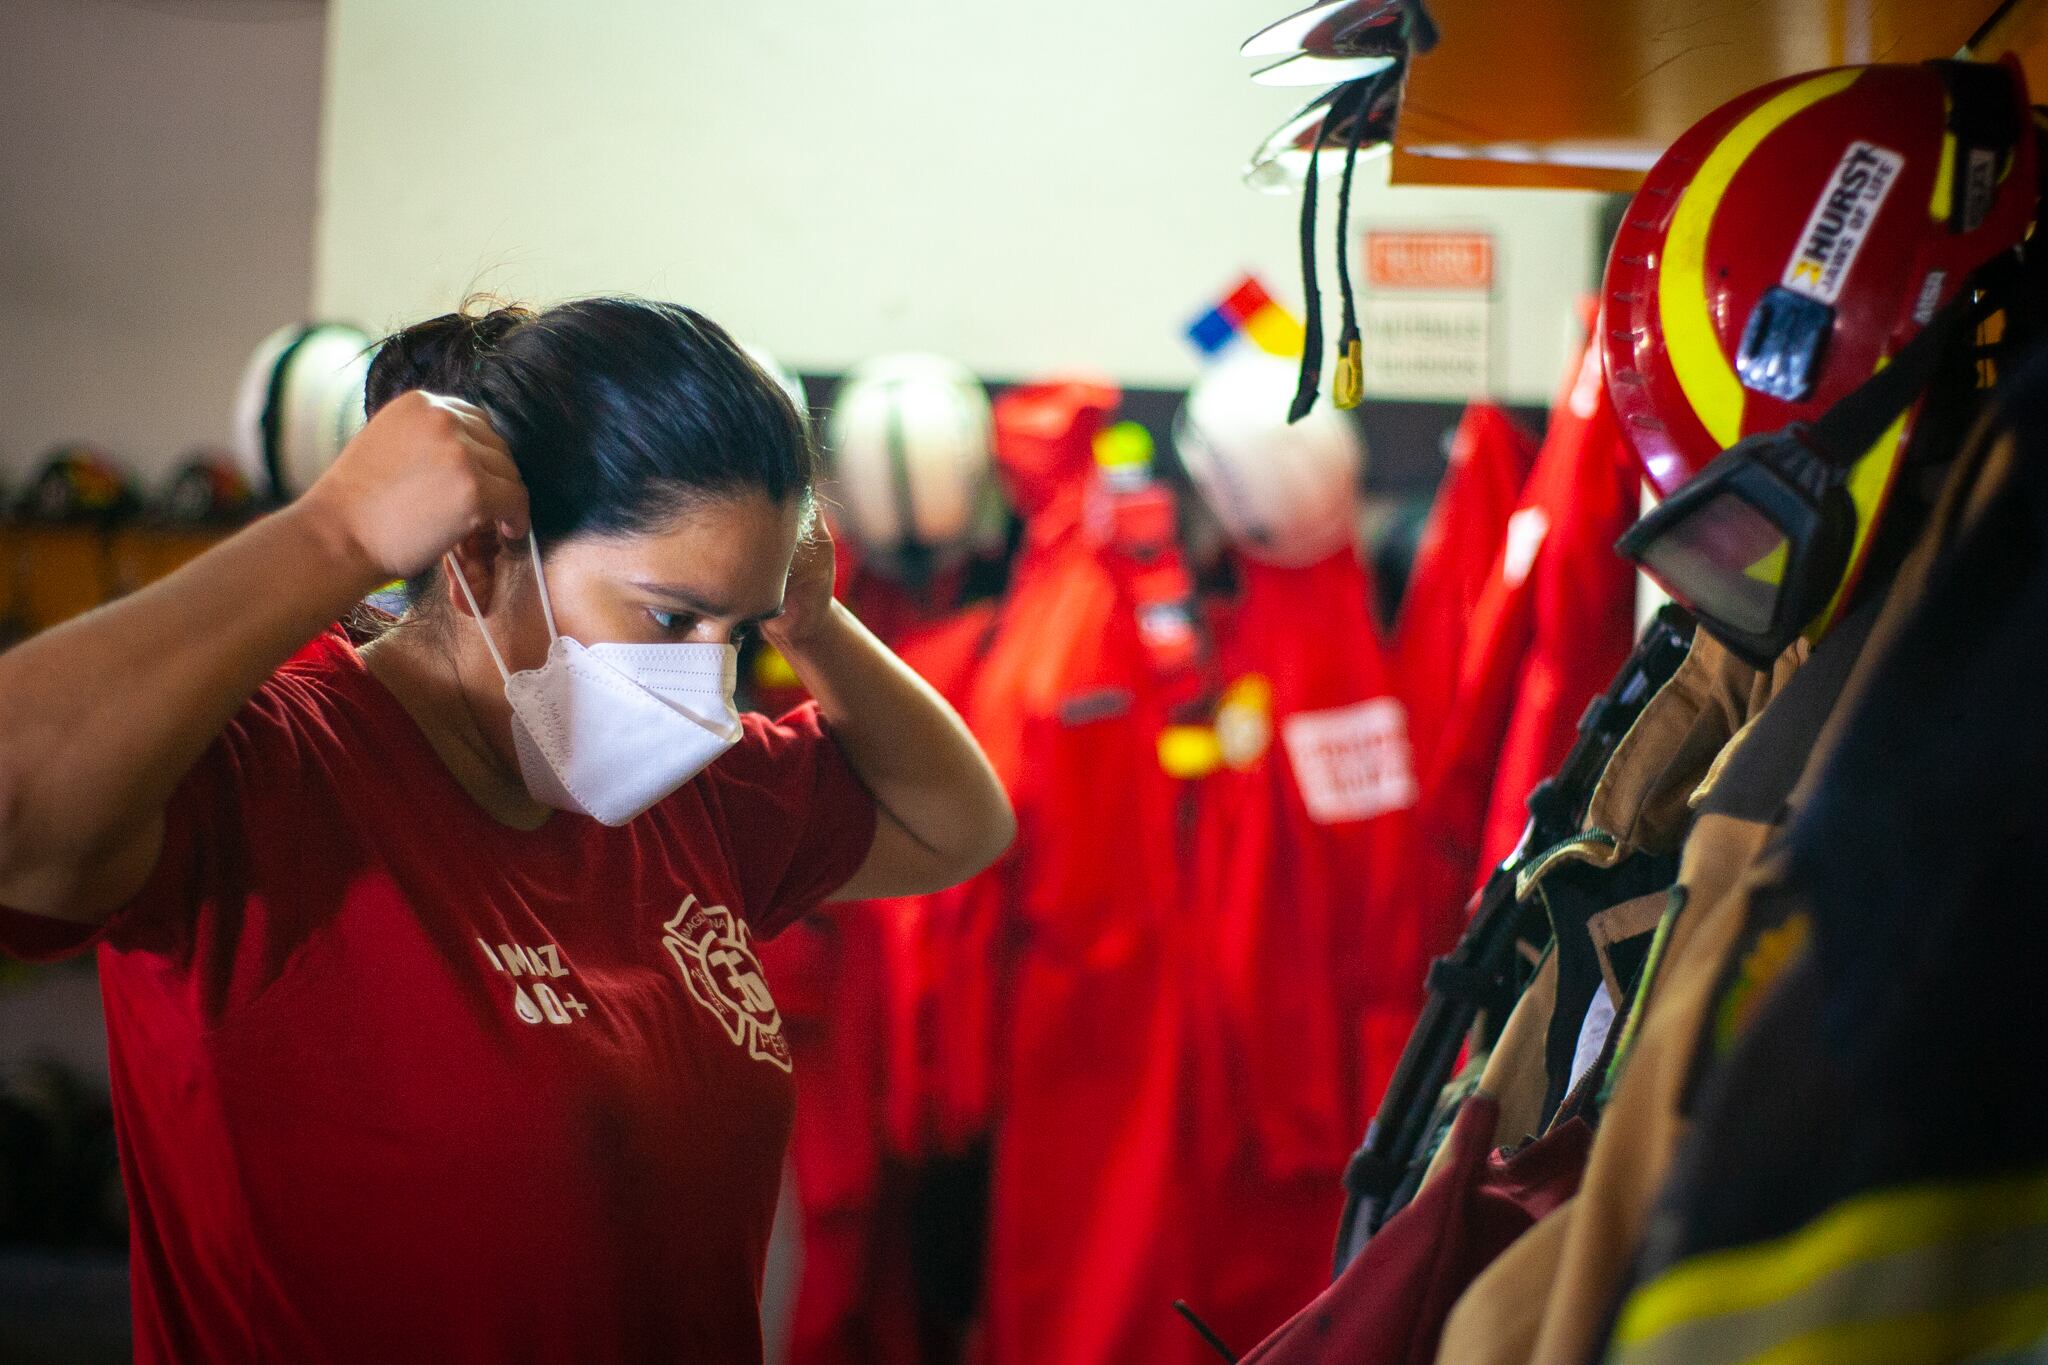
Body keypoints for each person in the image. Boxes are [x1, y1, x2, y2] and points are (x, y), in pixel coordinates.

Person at [0, 297, 1015, 1365]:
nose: (703, 681)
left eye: (737, 630)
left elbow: (953, 825)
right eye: (671, 618)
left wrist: (810, 619)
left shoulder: (672, 786)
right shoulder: (273, 774)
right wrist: (331, 536)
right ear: (484, 554)